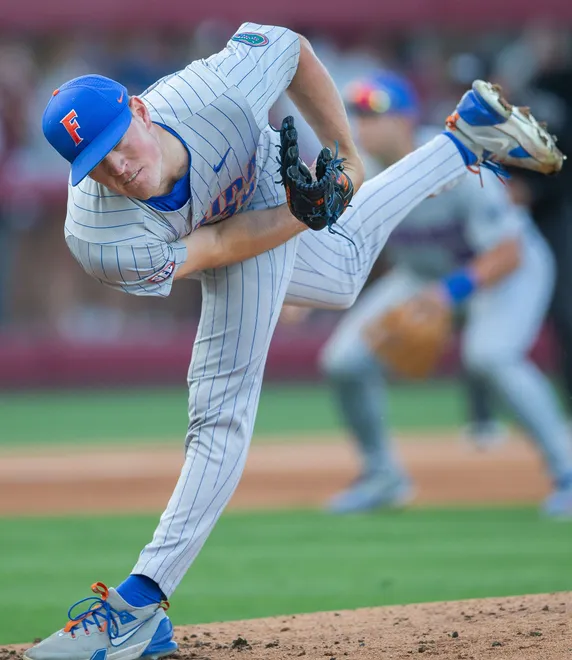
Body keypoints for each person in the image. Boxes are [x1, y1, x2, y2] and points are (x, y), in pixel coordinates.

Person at [29, 22, 562, 660]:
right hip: (231, 224)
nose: (118, 166)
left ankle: (139, 604)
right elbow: (222, 247)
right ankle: (465, 139)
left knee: (219, 411)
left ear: (139, 109)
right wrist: (300, 217)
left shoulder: (213, 95)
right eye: (96, 164)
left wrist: (345, 156)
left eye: (119, 142)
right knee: (338, 278)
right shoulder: (99, 236)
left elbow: (285, 43)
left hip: (254, 169)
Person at [317, 71, 572, 516]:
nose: (364, 124)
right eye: (357, 113)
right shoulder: (358, 172)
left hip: (509, 269)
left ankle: (566, 471)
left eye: (375, 112)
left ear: (406, 117)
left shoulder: (454, 157)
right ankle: (383, 476)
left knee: (490, 356)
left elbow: (507, 252)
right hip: (424, 275)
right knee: (344, 360)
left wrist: (448, 294)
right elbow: (353, 242)